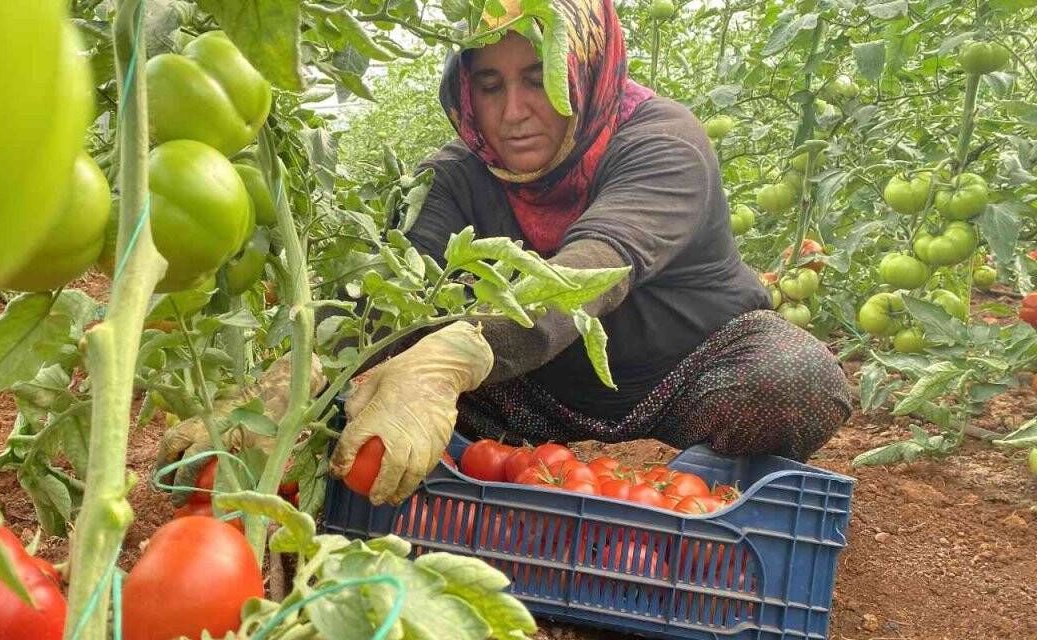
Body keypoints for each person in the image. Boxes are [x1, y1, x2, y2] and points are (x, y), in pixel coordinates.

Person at [328, 0, 852, 506]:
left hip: (683, 380)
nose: (513, 112)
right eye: (490, 86)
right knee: (367, 390)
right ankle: (511, 474)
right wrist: (313, 371)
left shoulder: (662, 140)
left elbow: (599, 264)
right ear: (465, 92)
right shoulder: (452, 177)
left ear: (583, 66)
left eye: (539, 79)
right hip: (529, 394)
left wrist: (451, 359)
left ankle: (707, 482)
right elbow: (397, 298)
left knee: (795, 378)